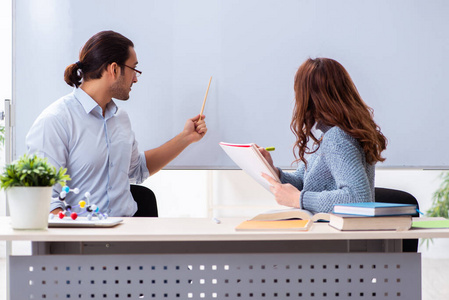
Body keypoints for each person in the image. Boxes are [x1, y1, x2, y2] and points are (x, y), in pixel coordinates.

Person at [26, 31, 208, 217]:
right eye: (134, 70)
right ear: (114, 69)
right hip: (83, 238)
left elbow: (137, 170)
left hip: (129, 233)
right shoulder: (56, 121)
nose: (135, 78)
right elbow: (45, 201)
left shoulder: (120, 118)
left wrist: (186, 137)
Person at [261, 57, 387, 214]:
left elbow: (358, 199)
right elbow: (302, 182)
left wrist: (298, 199)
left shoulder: (337, 139)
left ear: (309, 97)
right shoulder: (330, 135)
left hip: (335, 233)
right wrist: (273, 170)